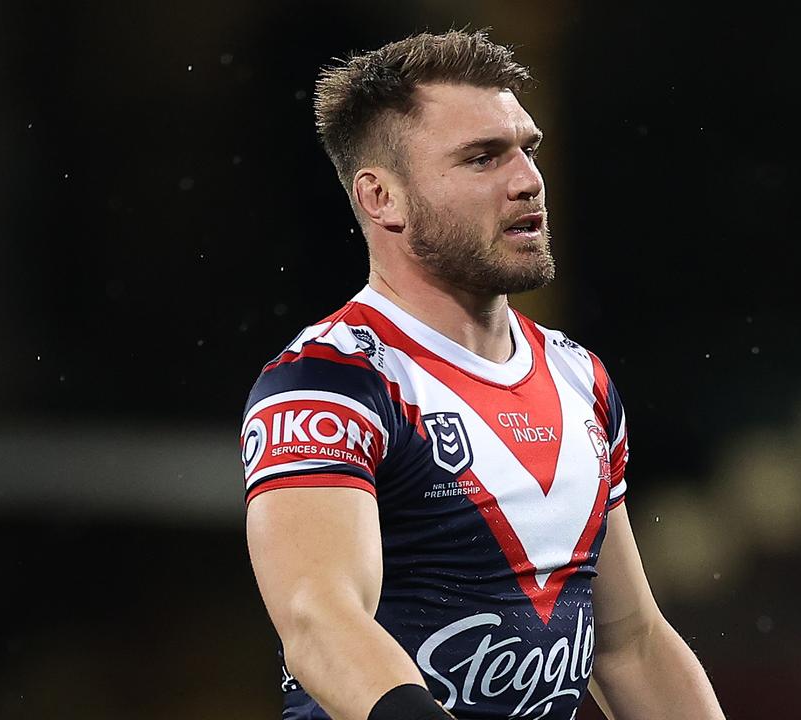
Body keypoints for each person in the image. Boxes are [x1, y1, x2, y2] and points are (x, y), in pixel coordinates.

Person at [241, 29, 726, 720]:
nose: (527, 179)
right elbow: (320, 625)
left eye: (527, 148)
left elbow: (631, 647)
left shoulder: (578, 377)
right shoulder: (330, 382)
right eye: (482, 158)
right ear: (384, 199)